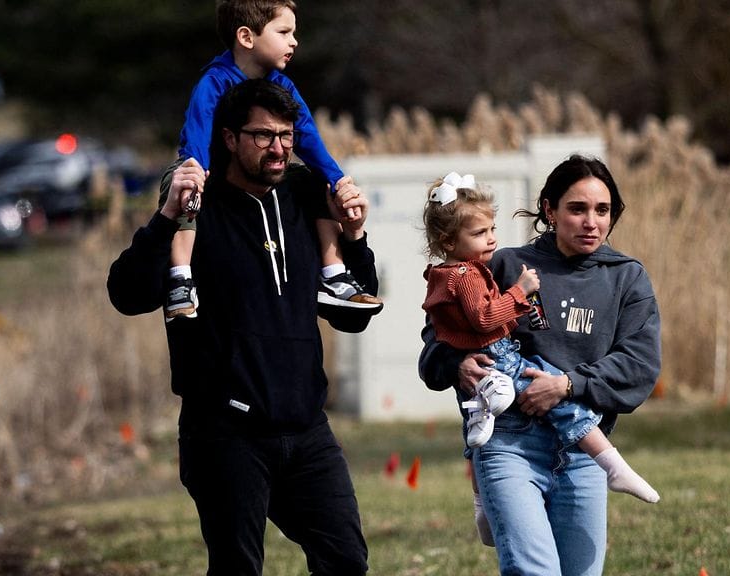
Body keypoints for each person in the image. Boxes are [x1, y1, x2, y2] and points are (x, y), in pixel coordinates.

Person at [108, 79, 377, 575]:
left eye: (286, 135)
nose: (278, 148)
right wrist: (166, 217)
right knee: (237, 567)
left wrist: (355, 238)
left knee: (345, 559)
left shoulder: (303, 196)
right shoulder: (197, 206)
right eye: (262, 136)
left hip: (306, 428)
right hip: (225, 433)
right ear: (229, 138)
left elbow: (350, 315)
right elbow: (126, 294)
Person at [419, 156, 662, 575]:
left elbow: (639, 365)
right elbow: (437, 341)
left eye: (602, 211)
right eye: (577, 208)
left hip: (586, 453)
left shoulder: (627, 278)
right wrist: (456, 363)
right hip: (510, 446)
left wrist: (567, 384)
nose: (591, 221)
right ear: (549, 210)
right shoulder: (504, 265)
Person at [159, 0, 382, 321]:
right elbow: (198, 129)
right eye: (283, 32)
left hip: (261, 175)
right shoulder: (215, 81)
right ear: (247, 37)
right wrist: (196, 171)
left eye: (294, 33)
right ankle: (180, 277)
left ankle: (333, 273)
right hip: (209, 168)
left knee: (316, 181)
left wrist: (337, 179)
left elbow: (307, 136)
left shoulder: (283, 86)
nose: (294, 41)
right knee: (179, 183)